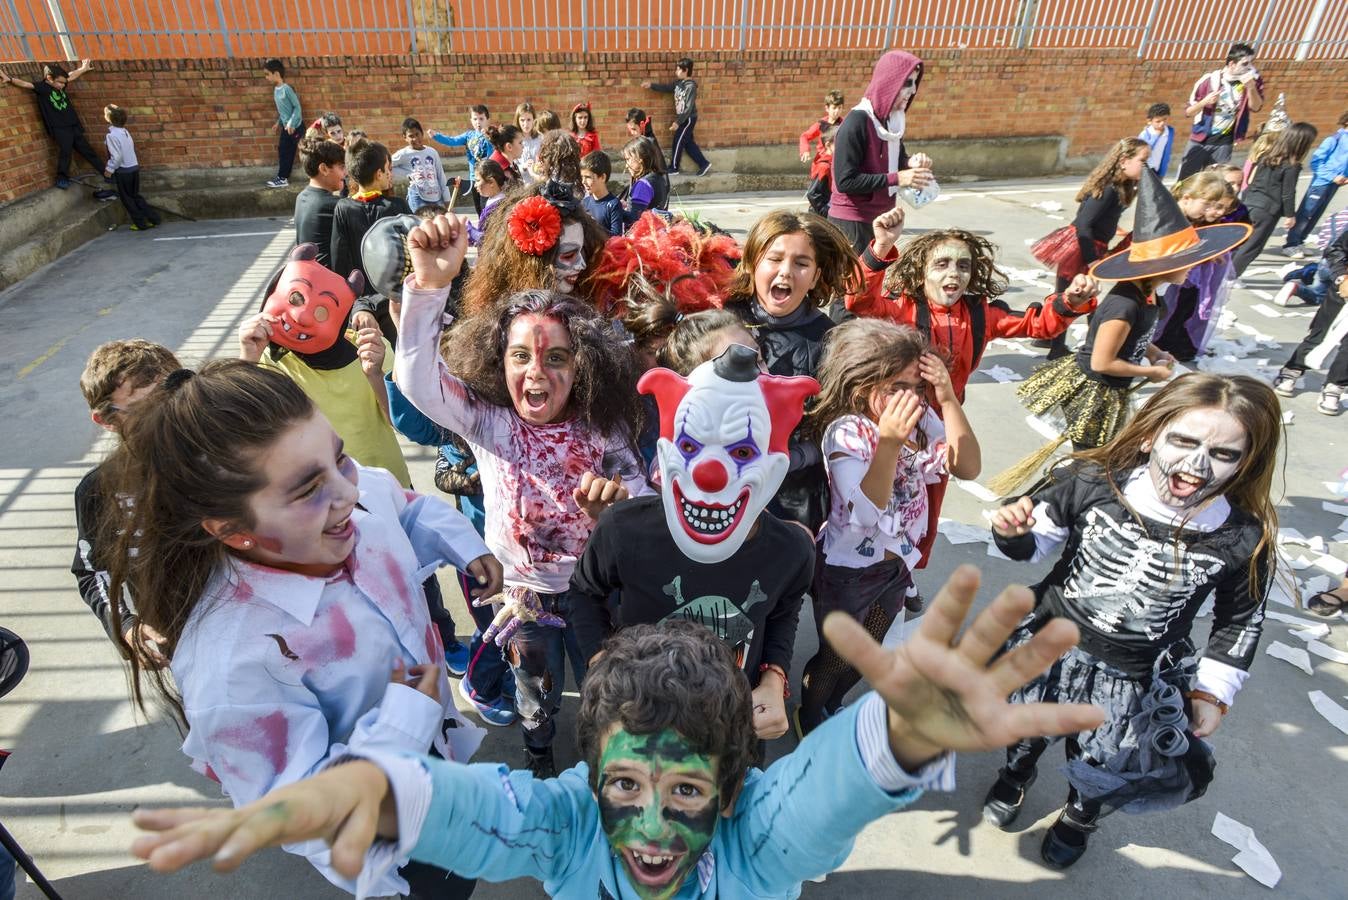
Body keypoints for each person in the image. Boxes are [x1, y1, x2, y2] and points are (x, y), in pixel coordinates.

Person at [131, 564, 1107, 900]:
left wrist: (900, 743)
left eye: (687, 793)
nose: (646, 826)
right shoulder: (567, 821)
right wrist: (380, 791)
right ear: (591, 777)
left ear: (728, 792)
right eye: (626, 787)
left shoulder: (754, 843)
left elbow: (813, 797)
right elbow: (483, 810)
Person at [100, 358, 499, 899]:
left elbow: (402, 506)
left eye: (341, 459)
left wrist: (462, 543)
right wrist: (406, 715)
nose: (348, 494)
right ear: (232, 530)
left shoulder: (348, 504)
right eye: (308, 488)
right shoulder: (232, 668)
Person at [984, 373, 1279, 869]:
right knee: (1024, 726)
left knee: (1108, 758)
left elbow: (1240, 619)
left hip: (1138, 674)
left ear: (1245, 462)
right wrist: (1013, 533)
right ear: (1149, 436)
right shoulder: (1093, 482)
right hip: (1049, 644)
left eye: (1223, 454)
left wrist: (1211, 694)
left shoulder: (1240, 537)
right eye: (1183, 440)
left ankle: (1079, 816)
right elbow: (1034, 544)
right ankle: (1017, 774)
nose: (1196, 464)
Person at [393, 212, 650, 778]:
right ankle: (538, 758)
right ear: (497, 361)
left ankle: (606, 768)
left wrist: (615, 510)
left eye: (556, 357)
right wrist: (431, 287)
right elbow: (416, 379)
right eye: (520, 356)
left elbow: (643, 499)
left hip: (593, 596)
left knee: (604, 689)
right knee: (535, 691)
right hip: (522, 600)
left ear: (582, 365)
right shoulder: (489, 423)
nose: (537, 372)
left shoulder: (601, 428)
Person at [570, 344, 818, 745]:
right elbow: (583, 592)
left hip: (730, 731)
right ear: (666, 453)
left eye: (741, 451)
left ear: (775, 466)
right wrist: (599, 665)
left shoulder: (791, 551)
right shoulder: (623, 530)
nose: (710, 474)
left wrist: (774, 678)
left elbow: (783, 612)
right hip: (635, 722)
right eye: (690, 446)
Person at [797, 320, 980, 736]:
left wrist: (948, 398)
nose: (912, 398)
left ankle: (833, 703)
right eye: (897, 387)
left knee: (870, 649)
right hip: (847, 572)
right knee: (837, 656)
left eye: (918, 387)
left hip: (895, 568)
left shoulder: (923, 418)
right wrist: (890, 443)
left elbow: (968, 467)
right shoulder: (847, 433)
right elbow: (863, 514)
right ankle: (809, 713)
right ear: (862, 385)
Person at [1016, 167, 1250, 451]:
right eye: (1188, 262)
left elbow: (1136, 336)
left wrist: (1154, 353)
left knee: (1095, 456)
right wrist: (1150, 374)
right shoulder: (1125, 305)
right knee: (1088, 456)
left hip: (1115, 388)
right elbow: (1101, 363)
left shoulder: (1149, 296)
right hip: (1096, 393)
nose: (1192, 269)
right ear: (1163, 265)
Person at [723, 209, 860, 533]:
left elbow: (829, 429)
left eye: (801, 263)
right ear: (753, 262)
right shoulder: (721, 318)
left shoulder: (828, 339)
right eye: (775, 259)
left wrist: (783, 461)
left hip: (794, 497)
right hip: (722, 482)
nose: (786, 272)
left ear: (815, 277)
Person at [239, 242, 411, 487]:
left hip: (382, 485)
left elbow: (402, 422)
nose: (302, 317)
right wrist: (248, 359)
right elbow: (242, 428)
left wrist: (375, 375)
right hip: (313, 496)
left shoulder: (370, 350)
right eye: (295, 298)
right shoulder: (267, 360)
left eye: (323, 311)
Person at [73, 339, 180, 665]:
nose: (165, 411)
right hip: (185, 648)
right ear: (106, 420)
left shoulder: (234, 459)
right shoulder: (99, 490)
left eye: (171, 395)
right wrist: (127, 626)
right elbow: (94, 572)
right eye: (141, 408)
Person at [1031, 137, 1149, 358]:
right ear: (1124, 160)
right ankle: (1059, 347)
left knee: (1074, 295)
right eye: (1142, 160)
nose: (1146, 165)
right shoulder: (1107, 190)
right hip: (1082, 247)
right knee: (1076, 296)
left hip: (1090, 246)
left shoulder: (1120, 187)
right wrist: (1091, 258)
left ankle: (1048, 338)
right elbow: (1084, 223)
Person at [828, 50, 933, 254]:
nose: (912, 91)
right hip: (853, 223)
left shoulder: (890, 122)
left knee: (875, 283)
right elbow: (845, 181)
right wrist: (898, 178)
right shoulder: (856, 122)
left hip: (881, 218)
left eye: (914, 83)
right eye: (907, 83)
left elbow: (896, 161)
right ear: (889, 83)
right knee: (855, 284)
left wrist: (910, 163)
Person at [460, 180, 608, 316]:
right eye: (568, 255)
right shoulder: (504, 324)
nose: (582, 264)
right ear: (533, 263)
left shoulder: (587, 304)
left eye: (582, 250)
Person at [330, 137, 412, 343]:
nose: (390, 173)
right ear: (379, 174)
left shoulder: (343, 208)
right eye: (388, 168)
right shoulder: (396, 206)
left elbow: (339, 257)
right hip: (395, 296)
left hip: (361, 302)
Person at [1152, 172, 1240, 362]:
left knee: (1183, 311)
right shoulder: (1169, 219)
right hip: (1161, 280)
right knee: (1162, 312)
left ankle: (1173, 345)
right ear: (1187, 198)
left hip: (1185, 280)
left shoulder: (1197, 219)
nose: (1215, 212)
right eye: (1210, 205)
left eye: (1222, 208)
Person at [1, 60, 112, 194]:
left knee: (87, 149)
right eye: (59, 82)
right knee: (66, 151)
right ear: (49, 78)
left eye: (64, 83)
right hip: (59, 127)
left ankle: (106, 173)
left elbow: (71, 75)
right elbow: (25, 84)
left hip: (72, 124)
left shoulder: (61, 84)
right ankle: (62, 177)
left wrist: (82, 69)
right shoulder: (42, 88)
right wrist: (10, 79)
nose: (63, 85)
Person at [1273, 222, 1348, 416]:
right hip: (1344, 291)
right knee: (1321, 333)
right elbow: (1335, 250)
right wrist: (1342, 277)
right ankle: (1293, 369)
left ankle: (1334, 387)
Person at [1231, 122, 1317, 278]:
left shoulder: (1266, 157)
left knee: (1239, 243)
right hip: (1268, 210)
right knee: (1252, 247)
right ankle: (1231, 277)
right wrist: (1290, 215)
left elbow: (1252, 180)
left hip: (1250, 203)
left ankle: (1223, 273)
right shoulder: (1292, 165)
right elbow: (1288, 193)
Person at [1175, 42, 1265, 181]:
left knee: (1216, 183)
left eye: (1251, 63)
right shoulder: (1210, 80)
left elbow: (1256, 107)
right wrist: (1205, 102)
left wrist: (1251, 88)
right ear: (1231, 64)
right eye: (1245, 64)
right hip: (1200, 139)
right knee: (1186, 180)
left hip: (1224, 142)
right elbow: (1188, 112)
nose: (1249, 68)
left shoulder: (1253, 81)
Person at [1282, 111, 1348, 257]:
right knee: (1306, 213)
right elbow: (1316, 162)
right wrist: (1332, 176)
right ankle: (1291, 244)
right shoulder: (1334, 139)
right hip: (1321, 183)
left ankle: (1300, 241)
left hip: (1335, 183)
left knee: (1316, 214)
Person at [643, 57, 712, 176]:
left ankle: (674, 168)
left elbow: (689, 107)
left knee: (678, 141)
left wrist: (677, 122)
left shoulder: (690, 87)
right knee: (688, 143)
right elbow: (666, 88)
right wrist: (651, 85)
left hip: (688, 119)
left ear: (685, 71)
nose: (676, 71)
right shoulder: (678, 83)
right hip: (683, 119)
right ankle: (703, 163)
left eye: (678, 69)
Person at [101, 104, 160, 231]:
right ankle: (153, 218)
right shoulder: (125, 132)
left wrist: (109, 170)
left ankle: (140, 223)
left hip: (123, 172)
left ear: (108, 118)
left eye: (105, 113)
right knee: (135, 195)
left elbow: (116, 157)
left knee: (128, 199)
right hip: (133, 168)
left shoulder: (111, 136)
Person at [429, 104, 493, 213]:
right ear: (471, 120)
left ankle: (487, 228)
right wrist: (436, 136)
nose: (478, 122)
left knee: (486, 207)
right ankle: (481, 229)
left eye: (481, 119)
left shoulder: (490, 135)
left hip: (486, 178)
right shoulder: (469, 136)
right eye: (475, 119)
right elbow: (452, 141)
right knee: (478, 208)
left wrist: (488, 138)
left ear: (487, 120)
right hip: (474, 178)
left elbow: (491, 155)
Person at [293, 136, 344, 268]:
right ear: (324, 169)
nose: (345, 174)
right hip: (329, 281)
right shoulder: (333, 205)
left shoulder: (302, 197)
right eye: (341, 167)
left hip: (309, 276)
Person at [391, 117, 449, 213]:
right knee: (421, 224)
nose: (415, 138)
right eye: (411, 136)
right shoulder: (403, 154)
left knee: (438, 224)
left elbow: (441, 176)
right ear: (404, 137)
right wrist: (408, 174)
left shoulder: (432, 152)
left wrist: (447, 198)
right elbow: (387, 166)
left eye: (417, 134)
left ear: (422, 133)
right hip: (417, 198)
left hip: (436, 197)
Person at [262, 58, 302, 189]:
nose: (266, 77)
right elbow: (284, 110)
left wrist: (291, 123)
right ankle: (282, 178)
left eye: (267, 74)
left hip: (295, 128)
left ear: (277, 74)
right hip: (286, 128)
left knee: (306, 150)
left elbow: (297, 107)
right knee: (284, 151)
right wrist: (278, 122)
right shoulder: (276, 90)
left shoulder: (286, 89)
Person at [617, 136, 670, 228]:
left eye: (628, 159)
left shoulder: (643, 185)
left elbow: (634, 219)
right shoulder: (660, 178)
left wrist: (615, 208)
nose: (626, 166)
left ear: (640, 158)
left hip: (641, 237)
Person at [580, 150, 623, 237]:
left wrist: (594, 225)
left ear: (603, 177)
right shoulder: (584, 203)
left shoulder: (613, 204)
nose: (583, 182)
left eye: (588, 177)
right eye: (582, 177)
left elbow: (616, 237)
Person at [466, 159, 507, 247]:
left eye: (477, 181)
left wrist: (471, 232)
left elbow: (492, 240)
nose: (475, 185)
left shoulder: (499, 207)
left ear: (491, 182)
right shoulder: (494, 201)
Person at [799, 89, 845, 167]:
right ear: (827, 108)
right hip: (822, 161)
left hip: (838, 162)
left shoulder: (844, 124)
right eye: (834, 108)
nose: (837, 111)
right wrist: (805, 150)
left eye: (840, 108)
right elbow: (805, 136)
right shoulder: (821, 124)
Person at [1138, 102, 1175, 178]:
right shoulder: (1145, 134)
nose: (1162, 123)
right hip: (1145, 170)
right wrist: (1155, 136)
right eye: (1158, 121)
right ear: (1149, 121)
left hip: (1159, 170)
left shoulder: (1170, 132)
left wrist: (1162, 172)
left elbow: (1166, 152)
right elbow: (1143, 151)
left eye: (1165, 119)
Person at [515, 101, 542, 179]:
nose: (526, 124)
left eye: (529, 120)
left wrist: (539, 165)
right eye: (522, 120)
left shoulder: (540, 138)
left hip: (538, 183)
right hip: (521, 185)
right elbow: (511, 165)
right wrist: (523, 166)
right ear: (518, 121)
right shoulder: (514, 140)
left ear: (534, 119)